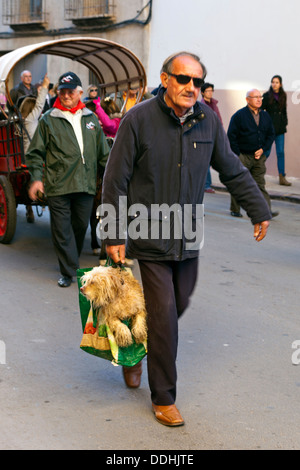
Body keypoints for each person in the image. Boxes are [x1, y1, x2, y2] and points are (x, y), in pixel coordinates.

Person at [101, 52, 271, 426]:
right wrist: (113, 232)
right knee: (164, 317)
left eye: (197, 81)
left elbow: (230, 167)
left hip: (188, 236)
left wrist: (258, 208)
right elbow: (116, 178)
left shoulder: (208, 120)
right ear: (165, 79)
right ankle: (163, 397)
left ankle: (137, 343)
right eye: (183, 79)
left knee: (175, 307)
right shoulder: (138, 119)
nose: (191, 87)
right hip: (148, 236)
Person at [25, 71, 110, 287]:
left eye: (70, 91)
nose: (65, 96)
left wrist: (114, 177)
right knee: (62, 230)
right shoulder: (48, 119)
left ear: (80, 93)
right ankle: (69, 270)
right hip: (58, 184)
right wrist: (36, 178)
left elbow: (103, 155)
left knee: (80, 226)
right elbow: (35, 153)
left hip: (85, 184)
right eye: (62, 92)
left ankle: (70, 264)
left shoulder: (91, 120)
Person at [227, 89, 278, 218]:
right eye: (255, 97)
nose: (259, 99)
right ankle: (235, 209)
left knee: (260, 184)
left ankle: (266, 210)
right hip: (243, 156)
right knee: (239, 183)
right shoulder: (239, 116)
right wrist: (238, 154)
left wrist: (264, 149)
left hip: (259, 157)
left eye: (260, 97)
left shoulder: (265, 116)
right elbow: (231, 136)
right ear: (247, 99)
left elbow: (271, 134)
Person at [19, 74, 50, 224]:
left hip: (27, 154)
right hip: (34, 157)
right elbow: (39, 105)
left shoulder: (24, 122)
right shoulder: (31, 120)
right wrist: (44, 87)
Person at [262, 75, 291, 186]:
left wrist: (285, 122)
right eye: (273, 82)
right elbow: (261, 111)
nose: (274, 84)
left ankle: (282, 177)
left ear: (281, 84)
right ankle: (257, 173)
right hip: (269, 130)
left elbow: (284, 111)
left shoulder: (283, 95)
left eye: (277, 82)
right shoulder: (266, 96)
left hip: (280, 130)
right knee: (266, 151)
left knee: (280, 152)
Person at [201, 82, 223, 193]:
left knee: (209, 160)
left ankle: (205, 184)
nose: (210, 93)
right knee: (206, 161)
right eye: (208, 91)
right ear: (202, 93)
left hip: (214, 135)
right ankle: (206, 185)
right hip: (205, 137)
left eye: (211, 91)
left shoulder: (214, 104)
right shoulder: (201, 105)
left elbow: (219, 120)